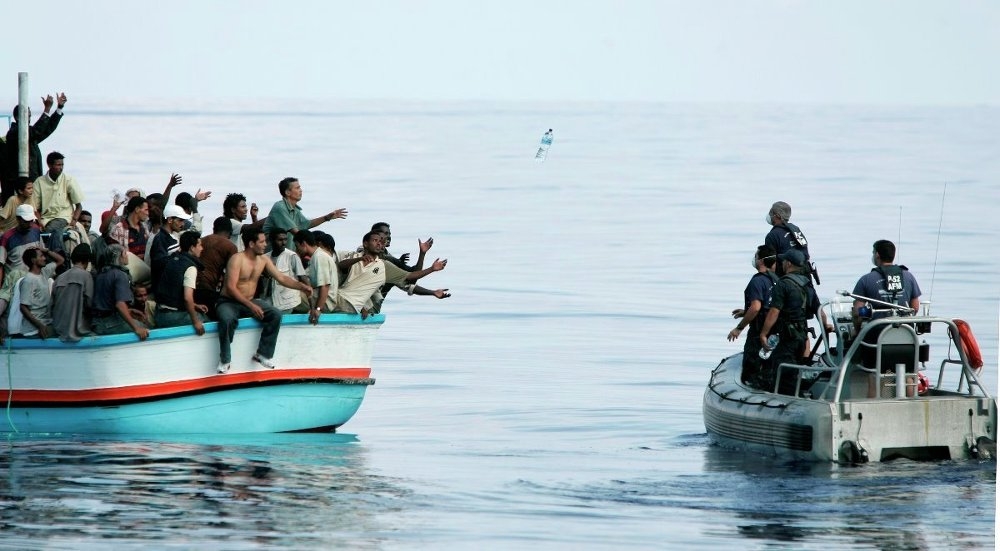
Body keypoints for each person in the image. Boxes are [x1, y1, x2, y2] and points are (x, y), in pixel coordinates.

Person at [215, 228, 312, 373]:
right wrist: (251, 306)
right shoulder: (237, 259)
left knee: (275, 314)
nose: (265, 244)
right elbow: (230, 288)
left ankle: (263, 354)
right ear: (251, 244)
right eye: (262, 242)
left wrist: (302, 286)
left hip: (249, 300)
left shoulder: (263, 260)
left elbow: (281, 278)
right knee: (227, 320)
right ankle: (225, 360)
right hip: (228, 301)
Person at [755, 249, 821, 394]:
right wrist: (826, 325)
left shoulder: (783, 284)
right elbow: (819, 309)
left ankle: (790, 399)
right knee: (796, 366)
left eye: (784, 261)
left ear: (789, 263)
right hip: (803, 336)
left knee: (782, 369)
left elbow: (774, 311)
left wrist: (764, 334)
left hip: (788, 337)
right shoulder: (807, 284)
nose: (782, 263)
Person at [727, 244, 779, 384]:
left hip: (758, 331)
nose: (754, 259)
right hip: (775, 331)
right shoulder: (776, 280)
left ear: (761, 260)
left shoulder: (757, 281)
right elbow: (769, 305)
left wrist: (739, 328)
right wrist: (746, 312)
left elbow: (756, 307)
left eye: (756, 256)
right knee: (770, 366)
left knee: (752, 368)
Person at [2, 93, 66, 201]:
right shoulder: (14, 132)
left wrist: (59, 109)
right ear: (17, 117)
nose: (29, 119)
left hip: (32, 182)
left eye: (30, 116)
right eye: (27, 116)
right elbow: (36, 131)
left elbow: (46, 130)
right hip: (17, 185)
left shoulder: (29, 135)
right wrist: (46, 110)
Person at [852, 239, 921, 323]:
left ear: (877, 255)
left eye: (873, 252)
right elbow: (915, 308)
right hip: (905, 330)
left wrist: (857, 332)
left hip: (877, 330)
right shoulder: (909, 277)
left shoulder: (866, 279)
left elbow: (857, 313)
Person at [31, 151, 85, 256]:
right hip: (45, 218)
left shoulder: (69, 180)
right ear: (49, 165)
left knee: (53, 229)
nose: (61, 168)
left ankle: (58, 257)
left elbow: (79, 205)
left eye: (62, 165)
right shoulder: (39, 182)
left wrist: (74, 220)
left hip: (63, 216)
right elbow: (35, 208)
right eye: (58, 165)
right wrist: (39, 222)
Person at [91, 244, 149, 340]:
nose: (127, 256)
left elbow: (106, 303)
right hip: (109, 323)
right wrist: (136, 328)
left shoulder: (101, 274)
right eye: (125, 253)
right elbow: (120, 304)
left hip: (96, 322)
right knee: (144, 327)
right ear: (120, 256)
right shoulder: (120, 275)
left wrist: (129, 311)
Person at [154, 231, 208, 335]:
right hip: (171, 317)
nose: (202, 248)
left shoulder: (173, 259)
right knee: (205, 319)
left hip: (159, 313)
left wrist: (195, 305)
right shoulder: (190, 267)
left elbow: (173, 291)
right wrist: (196, 322)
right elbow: (187, 298)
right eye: (200, 245)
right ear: (192, 248)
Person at [261, 177, 348, 236]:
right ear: (287, 192)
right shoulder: (279, 207)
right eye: (297, 188)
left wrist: (327, 218)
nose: (301, 190)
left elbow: (307, 224)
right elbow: (296, 233)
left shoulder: (295, 209)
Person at [11, 247, 62, 339]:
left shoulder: (44, 272)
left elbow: (60, 260)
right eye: (41, 256)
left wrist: (45, 250)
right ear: (33, 260)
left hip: (45, 323)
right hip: (34, 329)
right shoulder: (28, 280)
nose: (44, 258)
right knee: (63, 332)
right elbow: (23, 307)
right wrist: (39, 325)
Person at [196, 216, 238, 320]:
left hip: (192, 287)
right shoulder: (230, 246)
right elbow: (232, 274)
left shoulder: (201, 241)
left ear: (214, 229)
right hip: (209, 290)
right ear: (230, 232)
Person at [51, 243, 94, 342]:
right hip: (78, 330)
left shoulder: (59, 278)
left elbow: (52, 305)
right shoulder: (86, 276)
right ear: (87, 260)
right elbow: (89, 304)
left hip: (58, 329)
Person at [293, 230, 337, 323]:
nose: (297, 250)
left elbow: (325, 286)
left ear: (303, 244)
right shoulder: (316, 256)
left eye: (297, 246)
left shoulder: (319, 257)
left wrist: (318, 309)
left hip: (325, 303)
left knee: (288, 294)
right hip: (317, 297)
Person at [263, 228, 310, 314]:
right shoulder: (265, 257)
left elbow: (302, 277)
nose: (284, 243)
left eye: (285, 239)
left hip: (288, 301)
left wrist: (311, 300)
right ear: (271, 240)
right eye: (280, 240)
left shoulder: (292, 256)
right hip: (271, 299)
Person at [148, 204, 191, 288]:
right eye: (180, 220)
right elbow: (158, 263)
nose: (183, 224)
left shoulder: (172, 236)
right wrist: (178, 254)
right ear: (170, 220)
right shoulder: (160, 238)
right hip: (164, 288)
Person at [764, 201, 810, 277]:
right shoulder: (796, 230)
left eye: (771, 212)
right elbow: (806, 255)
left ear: (777, 216)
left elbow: (770, 264)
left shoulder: (772, 235)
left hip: (785, 279)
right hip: (804, 278)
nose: (769, 215)